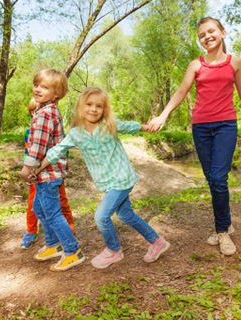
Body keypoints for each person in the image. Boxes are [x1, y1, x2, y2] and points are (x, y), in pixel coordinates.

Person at [147, 16, 241, 256]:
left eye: (211, 31)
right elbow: (181, 92)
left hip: (226, 125)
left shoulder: (235, 62)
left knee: (218, 177)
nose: (207, 36)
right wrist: (163, 115)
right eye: (202, 34)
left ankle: (222, 231)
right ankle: (226, 222)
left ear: (222, 32)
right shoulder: (196, 65)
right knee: (212, 179)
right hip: (201, 127)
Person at [36, 87, 170, 269]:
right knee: (126, 215)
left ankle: (114, 251)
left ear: (104, 109)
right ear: (81, 107)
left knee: (101, 217)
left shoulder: (109, 125)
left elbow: (129, 126)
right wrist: (37, 168)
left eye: (99, 106)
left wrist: (146, 127)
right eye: (89, 105)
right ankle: (157, 242)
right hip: (107, 182)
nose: (93, 109)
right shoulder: (76, 133)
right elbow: (56, 151)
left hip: (122, 178)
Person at [19, 69, 85, 271]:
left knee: (53, 213)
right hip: (43, 174)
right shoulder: (44, 110)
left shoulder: (45, 114)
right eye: (37, 84)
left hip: (48, 175)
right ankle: (53, 243)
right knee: (39, 208)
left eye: (44, 87)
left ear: (56, 93)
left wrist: (27, 168)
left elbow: (39, 145)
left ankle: (73, 250)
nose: (38, 89)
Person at [21, 98, 75, 249]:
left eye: (36, 110)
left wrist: (28, 171)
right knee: (36, 207)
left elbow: (55, 149)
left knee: (57, 206)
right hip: (36, 174)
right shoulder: (31, 130)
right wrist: (29, 171)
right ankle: (46, 239)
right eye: (32, 111)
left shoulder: (47, 116)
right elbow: (29, 152)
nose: (35, 114)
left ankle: (71, 244)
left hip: (49, 173)